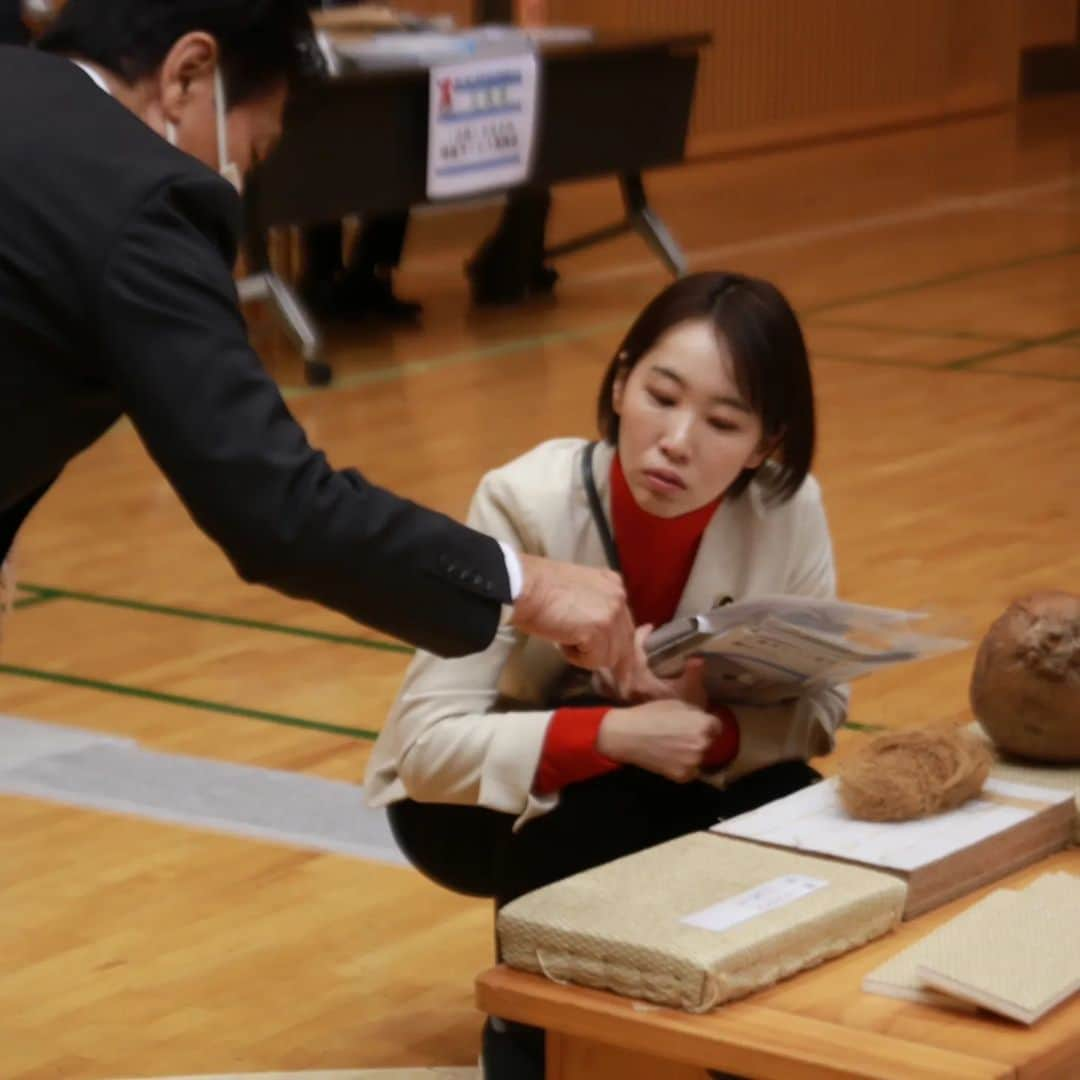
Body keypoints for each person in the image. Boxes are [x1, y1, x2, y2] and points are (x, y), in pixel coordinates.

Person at [0, 0, 637, 673]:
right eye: (253, 149)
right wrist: (526, 584)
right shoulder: (146, 201)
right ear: (187, 75)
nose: (237, 180)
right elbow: (277, 510)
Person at [365, 270, 847, 1078]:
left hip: (686, 771)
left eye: (723, 421)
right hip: (477, 808)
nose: (678, 440)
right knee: (589, 809)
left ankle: (754, 1045)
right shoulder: (522, 500)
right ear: (621, 382)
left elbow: (823, 709)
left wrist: (712, 732)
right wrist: (615, 733)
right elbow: (426, 747)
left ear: (766, 444)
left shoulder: (789, 512)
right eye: (660, 395)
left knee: (796, 807)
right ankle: (531, 1045)